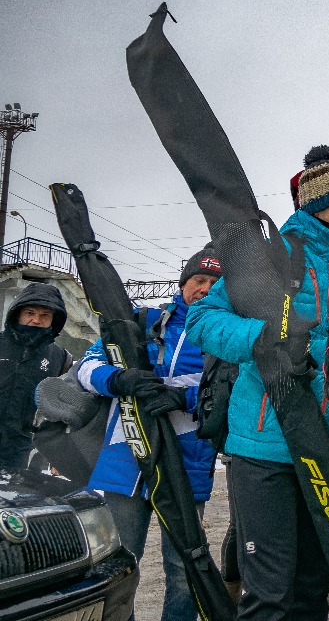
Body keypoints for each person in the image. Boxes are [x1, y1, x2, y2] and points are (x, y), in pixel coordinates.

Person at [186, 145, 329, 621]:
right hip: (266, 447)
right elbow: (202, 318)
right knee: (269, 592)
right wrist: (264, 338)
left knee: (312, 588)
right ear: (315, 203)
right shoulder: (272, 255)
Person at [76, 247, 223, 621]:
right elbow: (85, 367)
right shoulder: (142, 320)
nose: (205, 289)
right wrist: (117, 378)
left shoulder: (225, 336)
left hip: (187, 469)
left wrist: (184, 397)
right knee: (116, 569)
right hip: (125, 465)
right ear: (184, 283)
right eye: (199, 281)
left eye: (215, 283)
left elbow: (232, 393)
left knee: (184, 571)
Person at [0, 283, 72, 471]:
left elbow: (64, 409)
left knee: (17, 499)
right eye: (30, 313)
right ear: (17, 314)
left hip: (23, 450)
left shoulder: (61, 359)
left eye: (44, 315)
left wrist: (60, 454)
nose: (36, 320)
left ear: (53, 320)